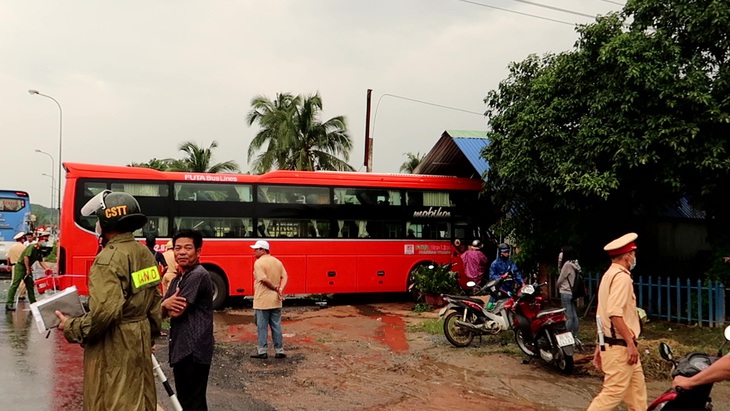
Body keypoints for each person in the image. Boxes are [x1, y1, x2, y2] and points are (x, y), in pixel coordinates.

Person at [54, 190, 162, 410]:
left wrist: (72, 327)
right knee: (139, 399)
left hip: (114, 344)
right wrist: (148, 338)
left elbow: (106, 312)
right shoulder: (145, 255)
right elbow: (154, 301)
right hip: (138, 340)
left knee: (110, 399)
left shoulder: (108, 259)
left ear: (105, 221)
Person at [587, 233, 646, 411]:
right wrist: (630, 342)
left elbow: (601, 313)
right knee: (613, 393)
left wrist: (601, 342)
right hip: (621, 347)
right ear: (627, 256)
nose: (634, 258)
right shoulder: (622, 278)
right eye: (633, 254)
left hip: (615, 345)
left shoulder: (609, 275)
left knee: (637, 394)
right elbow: (614, 313)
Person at [161, 229, 214, 411]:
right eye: (177, 248)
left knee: (194, 402)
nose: (181, 252)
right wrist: (165, 305)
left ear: (198, 252)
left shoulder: (198, 274)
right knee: (184, 400)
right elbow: (164, 308)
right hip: (181, 346)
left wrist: (165, 306)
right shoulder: (178, 278)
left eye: (187, 248)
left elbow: (175, 312)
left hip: (194, 348)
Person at [250, 240, 289, 359]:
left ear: (263, 250)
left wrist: (274, 287)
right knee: (276, 325)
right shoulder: (277, 262)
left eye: (256, 249)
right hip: (276, 300)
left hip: (262, 300)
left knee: (262, 326)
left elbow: (263, 279)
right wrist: (280, 289)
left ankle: (262, 351)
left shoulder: (258, 263)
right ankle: (279, 350)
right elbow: (285, 276)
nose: (254, 251)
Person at [5, 232, 53, 311]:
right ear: (41, 240)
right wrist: (28, 269)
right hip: (20, 267)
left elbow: (40, 261)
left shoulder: (38, 250)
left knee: (30, 286)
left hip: (27, 267)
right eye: (45, 240)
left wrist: (47, 269)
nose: (46, 242)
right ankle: (9, 304)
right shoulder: (32, 247)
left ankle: (34, 303)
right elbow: (26, 258)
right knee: (15, 284)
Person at [556, 245, 581, 345]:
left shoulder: (566, 265)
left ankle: (568, 337)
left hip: (565, 292)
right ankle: (574, 336)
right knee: (574, 316)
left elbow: (561, 278)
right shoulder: (575, 263)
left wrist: (558, 286)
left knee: (568, 316)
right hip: (573, 292)